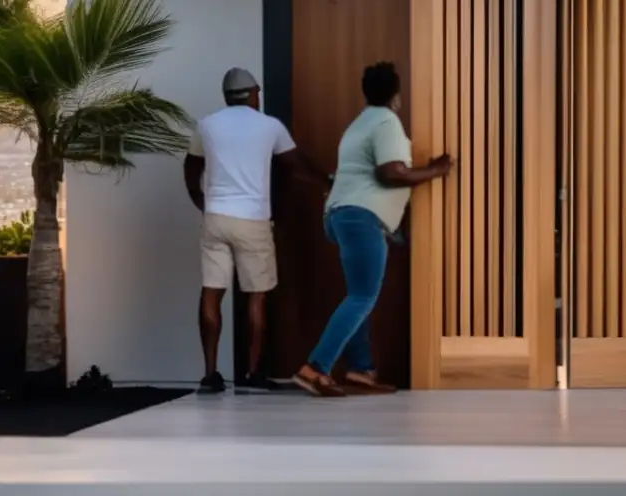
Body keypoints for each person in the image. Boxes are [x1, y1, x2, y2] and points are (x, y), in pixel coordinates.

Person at [293, 61, 452, 398]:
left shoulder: (359, 124)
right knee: (362, 296)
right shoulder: (386, 121)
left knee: (358, 296)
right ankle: (315, 369)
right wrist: (435, 171)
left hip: (342, 214)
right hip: (360, 216)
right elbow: (390, 173)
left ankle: (361, 370)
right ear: (396, 95)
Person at [184, 67, 330, 394]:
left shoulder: (207, 125)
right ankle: (252, 374)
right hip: (253, 220)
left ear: (226, 96)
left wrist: (201, 200)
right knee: (256, 296)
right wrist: (327, 184)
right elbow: (295, 166)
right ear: (252, 94)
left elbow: (191, 167)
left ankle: (210, 374)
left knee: (212, 291)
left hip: (216, 216)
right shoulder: (270, 126)